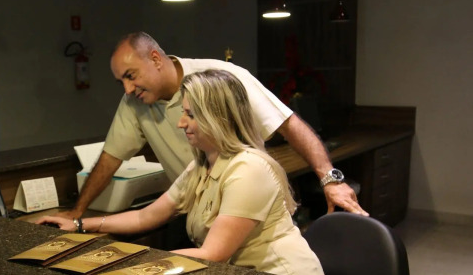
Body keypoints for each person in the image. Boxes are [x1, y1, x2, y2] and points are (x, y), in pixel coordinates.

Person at [39, 70, 325, 275]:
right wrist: (79, 224)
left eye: (191, 114)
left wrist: (126, 263)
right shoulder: (202, 164)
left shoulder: (249, 169)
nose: (181, 123)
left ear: (217, 117)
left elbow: (213, 254)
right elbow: (146, 217)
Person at [57, 32, 367, 220]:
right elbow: (110, 158)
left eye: (131, 75)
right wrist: (77, 213)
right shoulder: (135, 103)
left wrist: (330, 179)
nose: (127, 89)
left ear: (155, 58)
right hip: (199, 218)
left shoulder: (220, 77)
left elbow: (288, 124)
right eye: (120, 81)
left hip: (252, 213)